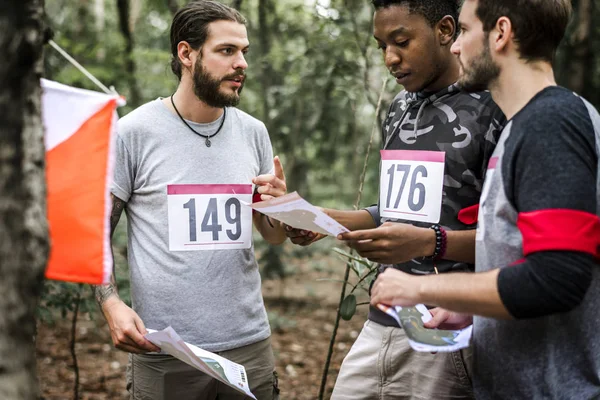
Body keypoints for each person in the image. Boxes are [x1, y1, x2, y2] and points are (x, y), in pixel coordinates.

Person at [370, 0, 600, 398]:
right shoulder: (525, 124)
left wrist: (423, 289)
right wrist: (472, 309)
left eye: (462, 31)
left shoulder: (551, 124)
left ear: (501, 33)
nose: (455, 47)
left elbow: (557, 278)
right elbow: (519, 252)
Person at [286, 0, 505, 398]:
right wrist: (322, 220)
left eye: (401, 41)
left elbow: (512, 240)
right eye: (381, 45)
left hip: (449, 330)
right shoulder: (400, 107)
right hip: (383, 319)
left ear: (445, 31)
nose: (390, 57)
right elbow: (397, 211)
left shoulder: (494, 108)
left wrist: (431, 242)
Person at [93, 2, 286, 399]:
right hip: (164, 350)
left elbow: (273, 235)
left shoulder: (253, 132)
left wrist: (279, 208)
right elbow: (95, 234)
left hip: (249, 345)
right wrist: (110, 303)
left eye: (244, 52)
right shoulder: (133, 133)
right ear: (187, 54)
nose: (241, 64)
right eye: (227, 51)